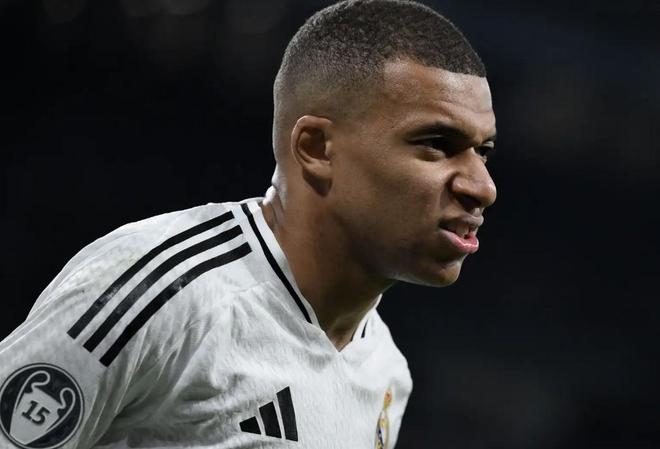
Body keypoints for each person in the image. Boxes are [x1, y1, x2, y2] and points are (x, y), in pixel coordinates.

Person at [0, 0, 497, 448]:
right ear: (317, 149)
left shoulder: (387, 372)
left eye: (484, 152)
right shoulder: (164, 296)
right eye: (437, 144)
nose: (482, 186)